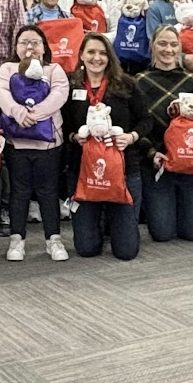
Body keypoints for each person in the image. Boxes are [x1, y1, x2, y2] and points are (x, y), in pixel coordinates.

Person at [63, 33, 145, 258]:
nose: (96, 58)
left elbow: (146, 120)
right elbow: (62, 125)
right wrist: (73, 137)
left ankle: (114, 224)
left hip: (124, 168)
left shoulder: (126, 84)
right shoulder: (70, 85)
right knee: (87, 249)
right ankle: (98, 222)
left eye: (102, 53)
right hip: (84, 171)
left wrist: (131, 137)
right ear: (81, 55)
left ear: (110, 57)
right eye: (91, 52)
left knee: (126, 252)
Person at [0, 26, 71, 261]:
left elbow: (60, 94)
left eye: (35, 42)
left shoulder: (54, 69)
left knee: (49, 191)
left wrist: (33, 115)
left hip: (49, 144)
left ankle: (53, 240)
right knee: (20, 192)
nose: (30, 47)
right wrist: (18, 113)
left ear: (44, 47)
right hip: (17, 143)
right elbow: (1, 93)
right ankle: (17, 240)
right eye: (24, 42)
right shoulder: (7, 69)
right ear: (16, 47)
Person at [133, 25, 193, 241]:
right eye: (162, 43)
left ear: (180, 48)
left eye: (174, 44)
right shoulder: (139, 82)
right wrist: (151, 154)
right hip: (158, 165)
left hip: (192, 164)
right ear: (152, 46)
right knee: (162, 234)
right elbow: (136, 126)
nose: (168, 49)